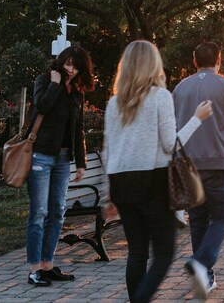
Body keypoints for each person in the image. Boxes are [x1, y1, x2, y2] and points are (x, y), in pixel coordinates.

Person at [103, 41, 213, 303]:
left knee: (137, 252)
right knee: (163, 253)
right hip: (151, 181)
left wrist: (107, 196)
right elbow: (170, 144)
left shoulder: (114, 103)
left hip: (120, 182)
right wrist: (197, 119)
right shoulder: (159, 97)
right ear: (154, 65)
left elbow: (108, 150)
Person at [173, 42, 224, 298]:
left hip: (189, 162)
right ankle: (201, 262)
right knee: (222, 217)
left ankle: (205, 276)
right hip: (219, 162)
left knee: (197, 220)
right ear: (219, 60)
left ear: (194, 62)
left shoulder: (180, 88)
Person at [26, 46, 95, 287]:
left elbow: (78, 129)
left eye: (75, 66)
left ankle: (48, 265)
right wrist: (55, 85)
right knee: (38, 214)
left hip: (64, 160)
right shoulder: (44, 80)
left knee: (57, 212)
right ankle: (34, 269)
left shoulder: (77, 92)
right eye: (67, 63)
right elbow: (41, 107)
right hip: (41, 157)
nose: (70, 69)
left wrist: (81, 163)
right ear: (61, 60)